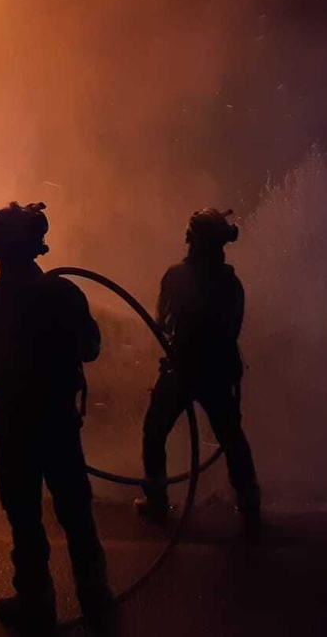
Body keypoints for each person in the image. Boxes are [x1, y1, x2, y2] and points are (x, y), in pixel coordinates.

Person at [0, 202, 113, 634]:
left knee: (26, 517)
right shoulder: (65, 294)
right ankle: (96, 598)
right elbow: (90, 347)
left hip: (15, 426)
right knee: (76, 514)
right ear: (36, 246)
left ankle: (36, 601)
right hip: (58, 422)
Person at [135, 209, 261, 540]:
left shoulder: (176, 276)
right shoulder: (230, 282)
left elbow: (162, 323)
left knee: (154, 431)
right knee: (231, 438)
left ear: (192, 239)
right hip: (218, 371)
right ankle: (250, 506)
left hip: (183, 370)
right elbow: (232, 328)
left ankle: (158, 502)